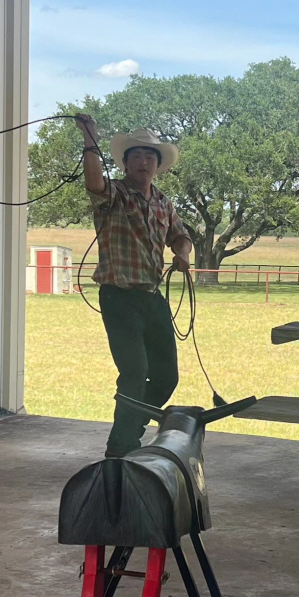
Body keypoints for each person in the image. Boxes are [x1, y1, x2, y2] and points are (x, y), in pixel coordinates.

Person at [75, 114, 192, 457]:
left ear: (158, 164)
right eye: (137, 156)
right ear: (126, 163)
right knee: (135, 372)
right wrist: (88, 139)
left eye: (150, 157)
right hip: (119, 297)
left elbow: (180, 236)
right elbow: (94, 182)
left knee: (167, 376)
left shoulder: (163, 202)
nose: (144, 162)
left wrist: (183, 254)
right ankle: (120, 447)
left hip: (152, 297)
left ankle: (131, 430)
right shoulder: (113, 195)